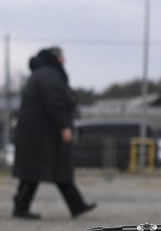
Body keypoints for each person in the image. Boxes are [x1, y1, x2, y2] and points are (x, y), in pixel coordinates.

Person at [12, 46, 97, 220]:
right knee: (50, 169)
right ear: (56, 58)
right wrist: (65, 125)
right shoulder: (50, 75)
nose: (65, 60)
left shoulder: (41, 74)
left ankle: (75, 205)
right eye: (63, 56)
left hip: (37, 133)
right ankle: (22, 206)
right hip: (43, 134)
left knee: (37, 171)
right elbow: (55, 102)